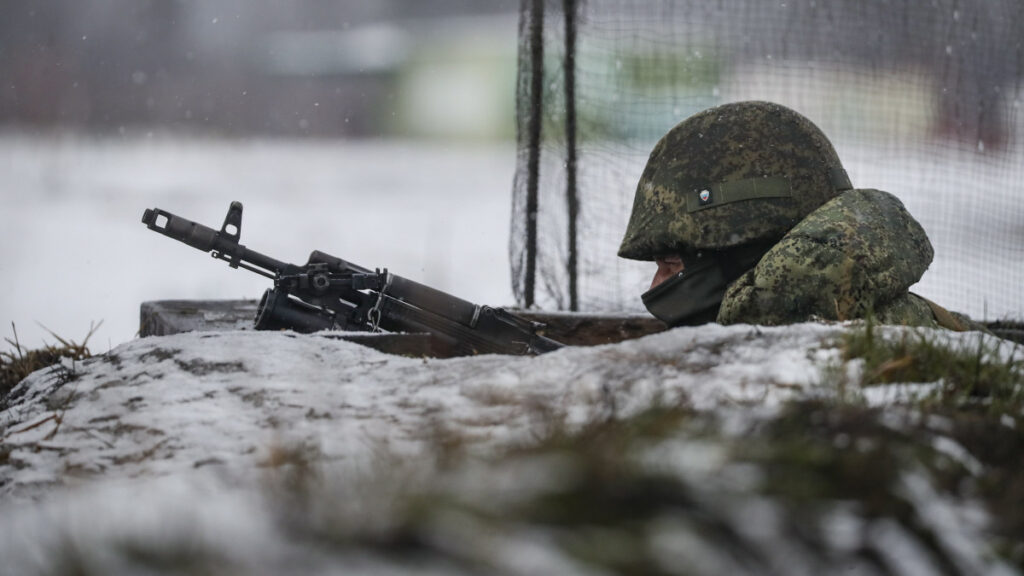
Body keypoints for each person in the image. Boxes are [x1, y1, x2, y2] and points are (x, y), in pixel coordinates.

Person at [617, 100, 975, 331]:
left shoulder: (823, 352)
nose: (655, 287)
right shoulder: (852, 321)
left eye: (671, 265)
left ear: (744, 246)